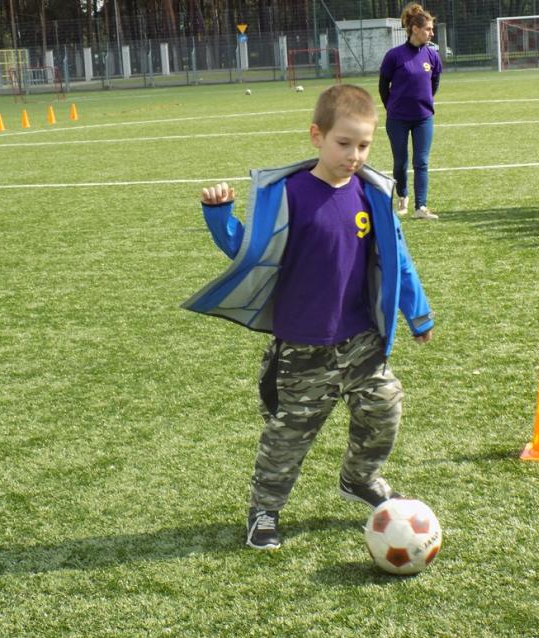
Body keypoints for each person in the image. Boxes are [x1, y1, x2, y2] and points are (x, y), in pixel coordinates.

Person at [183, 84, 435, 550]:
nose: (354, 155)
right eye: (344, 143)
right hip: (302, 344)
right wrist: (218, 215)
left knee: (384, 407)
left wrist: (418, 314)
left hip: (360, 338)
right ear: (317, 136)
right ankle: (265, 509)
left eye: (363, 145)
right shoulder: (289, 194)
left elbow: (397, 257)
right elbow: (249, 251)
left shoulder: (372, 193)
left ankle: (359, 478)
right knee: (289, 436)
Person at [378, 2, 442, 219]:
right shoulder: (394, 56)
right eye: (428, 29)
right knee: (400, 162)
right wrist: (391, 107)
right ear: (415, 29)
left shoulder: (432, 56)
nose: (432, 33)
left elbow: (434, 84)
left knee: (421, 162)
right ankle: (402, 196)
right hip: (397, 119)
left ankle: (421, 207)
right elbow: (383, 86)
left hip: (424, 118)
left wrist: (424, 102)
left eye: (432, 29)